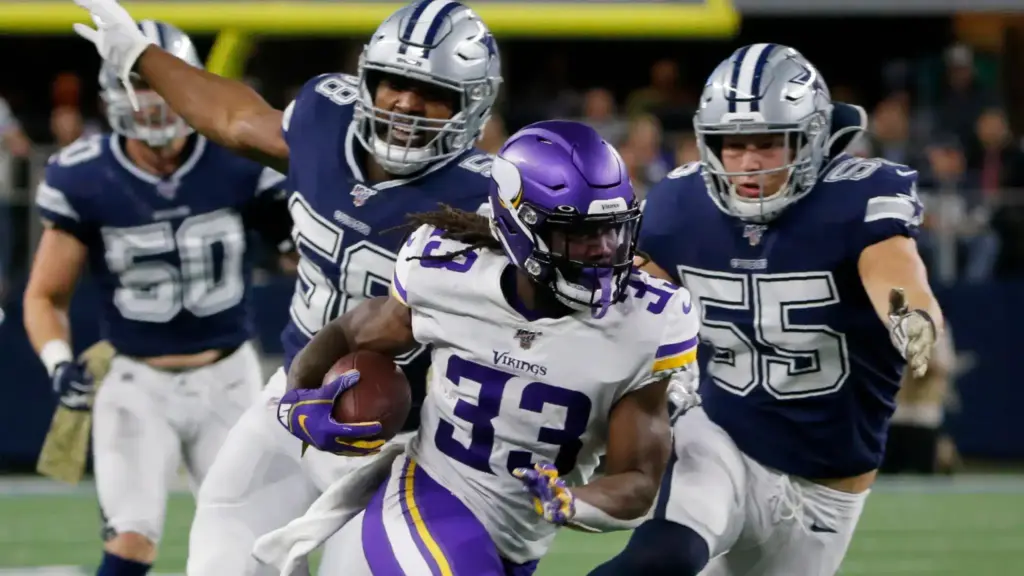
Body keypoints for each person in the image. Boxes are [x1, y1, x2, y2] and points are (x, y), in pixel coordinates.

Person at [71, 1, 502, 574]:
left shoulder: (489, 202)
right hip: (293, 395)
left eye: (432, 92)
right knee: (222, 563)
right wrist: (140, 57)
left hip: (403, 437)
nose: (405, 102)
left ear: (472, 106)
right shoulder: (325, 120)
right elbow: (233, 118)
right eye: (393, 82)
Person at [272, 120, 701, 575]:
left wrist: (574, 500)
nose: (601, 251)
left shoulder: (647, 321)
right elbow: (352, 331)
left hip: (516, 542)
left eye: (611, 230)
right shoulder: (448, 271)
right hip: (428, 498)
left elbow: (637, 479)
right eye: (577, 234)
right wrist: (296, 397)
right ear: (520, 229)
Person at [591, 44, 944, 575]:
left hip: (825, 492)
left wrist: (911, 318)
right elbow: (624, 305)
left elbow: (898, 280)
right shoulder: (681, 206)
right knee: (662, 556)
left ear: (813, 140)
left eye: (768, 144)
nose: (748, 163)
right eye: (732, 146)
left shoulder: (856, 198)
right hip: (722, 437)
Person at [23, 21, 290, 576]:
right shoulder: (85, 175)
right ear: (111, 92)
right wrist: (57, 363)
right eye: (134, 85)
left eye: (157, 84)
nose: (148, 102)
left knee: (257, 540)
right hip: (137, 382)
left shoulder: (236, 157)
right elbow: (45, 295)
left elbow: (295, 249)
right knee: (131, 539)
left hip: (229, 377)